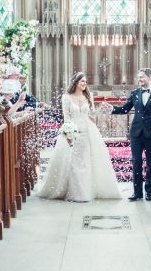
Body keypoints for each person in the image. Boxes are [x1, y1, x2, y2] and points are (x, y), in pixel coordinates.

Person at [38, 72, 121, 202]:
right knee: (73, 162)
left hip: (88, 130)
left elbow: (92, 115)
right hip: (73, 130)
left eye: (85, 82)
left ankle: (86, 190)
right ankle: (75, 192)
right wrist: (68, 133)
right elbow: (66, 118)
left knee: (87, 161)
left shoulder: (88, 96)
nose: (84, 84)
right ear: (75, 82)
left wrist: (101, 109)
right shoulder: (66, 97)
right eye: (82, 81)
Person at [109, 68, 151, 201]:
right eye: (139, 77)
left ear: (150, 77)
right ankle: (137, 192)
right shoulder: (134, 93)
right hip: (136, 133)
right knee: (136, 162)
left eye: (142, 77)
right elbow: (125, 109)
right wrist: (111, 108)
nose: (140, 79)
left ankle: (148, 191)